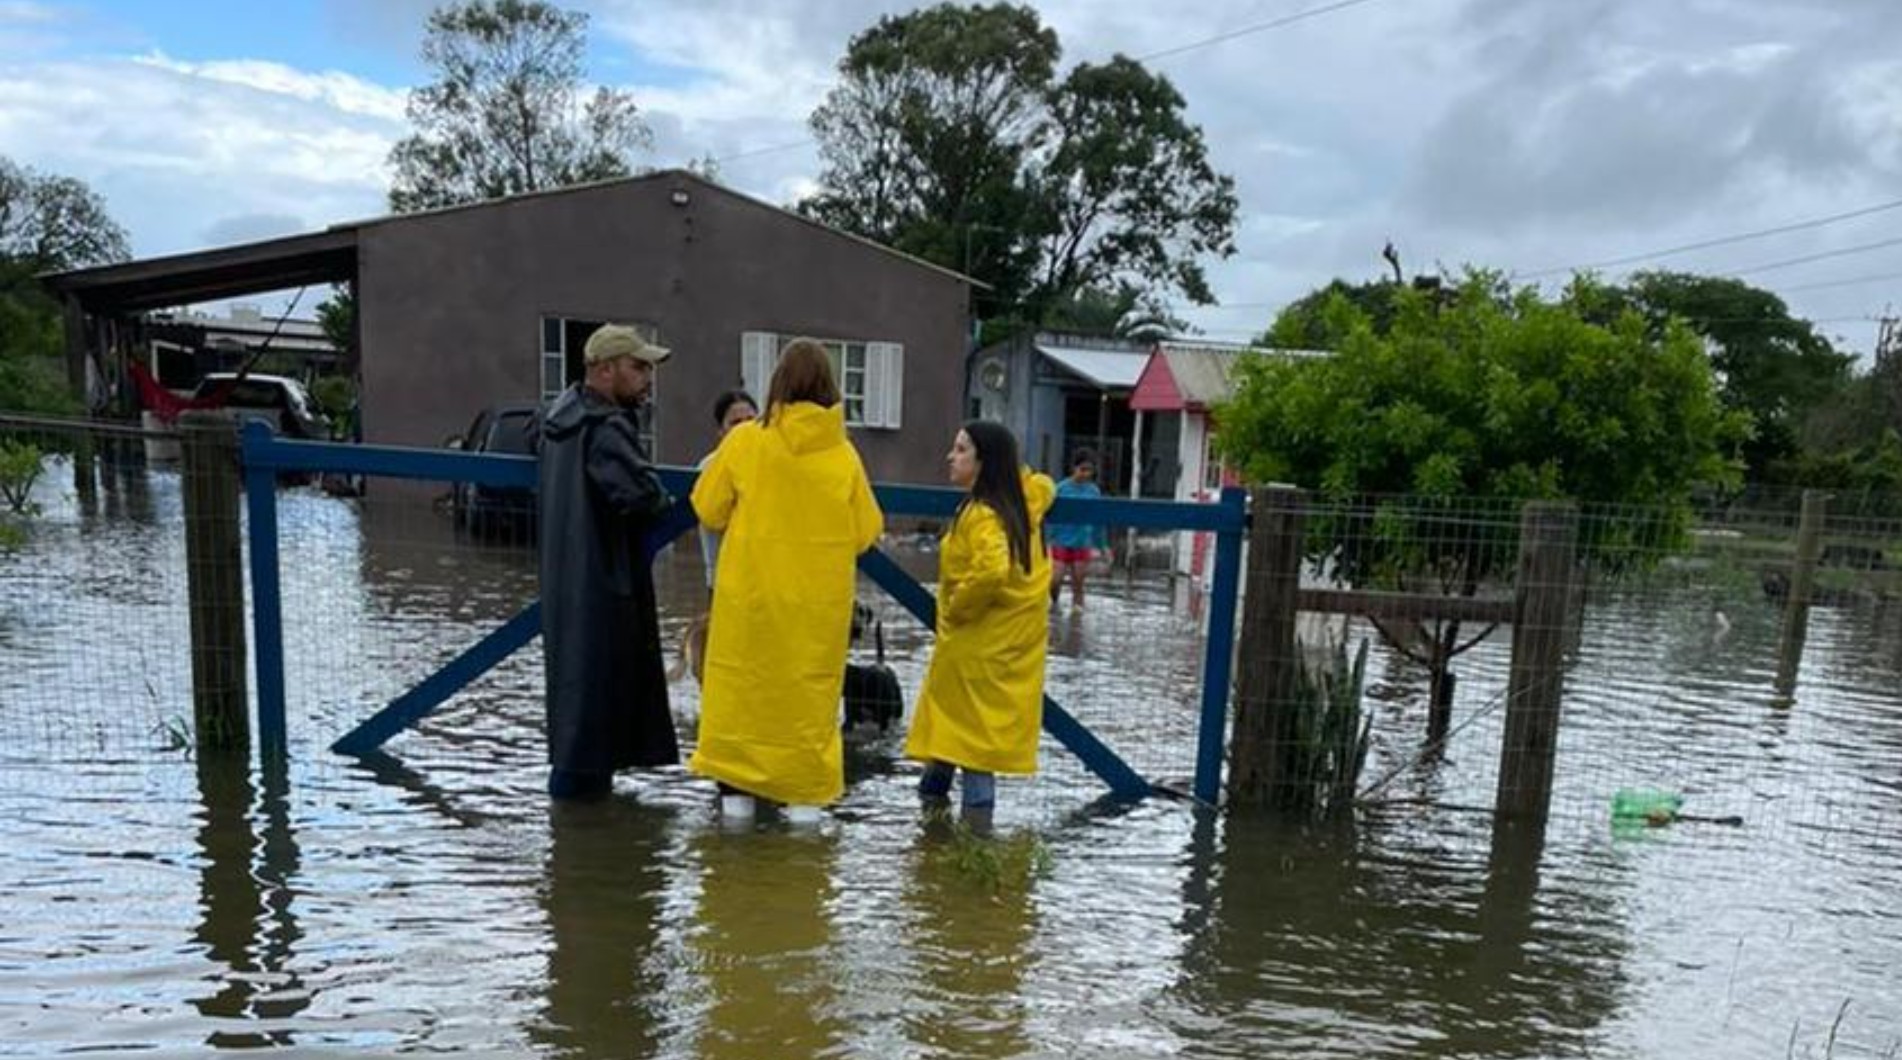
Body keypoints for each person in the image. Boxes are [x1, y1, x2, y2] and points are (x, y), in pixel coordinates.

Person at [689, 339, 884, 820]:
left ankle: (731, 858)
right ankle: (801, 863)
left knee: (742, 713)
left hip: (749, 605)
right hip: (815, 616)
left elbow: (708, 506)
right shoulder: (844, 456)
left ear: (777, 383)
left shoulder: (744, 442)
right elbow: (866, 531)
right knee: (805, 725)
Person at [530, 324, 678, 800]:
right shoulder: (605, 425)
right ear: (605, 368)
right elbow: (643, 495)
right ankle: (589, 850)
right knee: (595, 737)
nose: (648, 378)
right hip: (606, 589)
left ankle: (573, 852)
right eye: (639, 367)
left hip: (565, 584)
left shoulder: (557, 419)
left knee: (578, 729)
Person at [905, 421, 1055, 816]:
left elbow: (991, 570)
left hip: (976, 650)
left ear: (984, 462)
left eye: (960, 450)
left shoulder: (984, 515)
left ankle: (969, 843)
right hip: (1004, 649)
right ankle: (938, 839)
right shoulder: (1023, 504)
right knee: (956, 742)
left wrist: (956, 606)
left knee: (970, 750)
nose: (950, 457)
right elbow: (1042, 484)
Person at [697, 390, 758, 589]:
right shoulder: (709, 467)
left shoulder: (772, 465)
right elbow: (712, 517)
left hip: (765, 585)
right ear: (721, 431)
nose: (745, 428)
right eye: (736, 423)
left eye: (751, 419)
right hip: (724, 581)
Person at [1046, 451, 1109, 609]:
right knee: (1055, 579)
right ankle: (1054, 608)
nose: (1086, 474)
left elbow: (1098, 520)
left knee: (1078, 583)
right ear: (1074, 468)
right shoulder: (1060, 488)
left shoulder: (1093, 491)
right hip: (1060, 540)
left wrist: (1102, 545)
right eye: (1082, 469)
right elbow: (1049, 517)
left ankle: (1077, 617)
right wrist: (1046, 540)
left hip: (1081, 541)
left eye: (1089, 470)